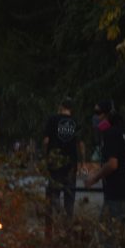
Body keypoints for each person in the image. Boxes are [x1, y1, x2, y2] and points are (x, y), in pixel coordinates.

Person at [84, 101, 125, 248]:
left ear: (107, 115)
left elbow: (113, 164)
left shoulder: (111, 134)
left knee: (107, 232)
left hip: (120, 192)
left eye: (98, 113)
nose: (95, 117)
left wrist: (94, 177)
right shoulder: (123, 129)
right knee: (123, 233)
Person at [42, 97, 84, 233]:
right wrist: (82, 162)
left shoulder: (53, 120)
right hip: (71, 166)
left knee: (52, 198)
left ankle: (49, 232)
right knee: (69, 200)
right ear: (71, 109)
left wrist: (45, 157)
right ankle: (67, 232)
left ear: (61, 106)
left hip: (55, 164)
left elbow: (46, 141)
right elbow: (81, 144)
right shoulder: (76, 122)